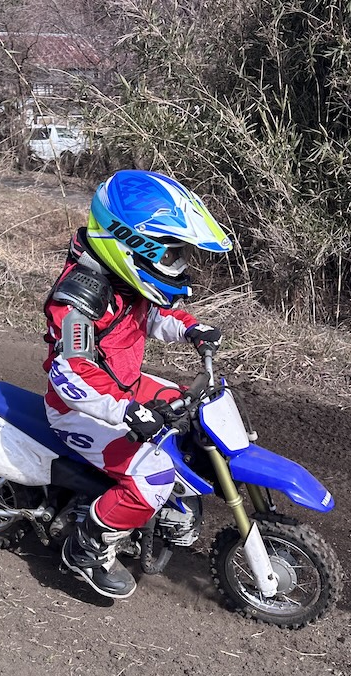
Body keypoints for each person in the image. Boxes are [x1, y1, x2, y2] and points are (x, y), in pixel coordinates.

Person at [43, 169, 233, 599]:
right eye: (170, 254)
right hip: (79, 408)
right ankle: (87, 548)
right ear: (132, 243)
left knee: (190, 409)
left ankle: (172, 505)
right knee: (151, 474)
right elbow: (70, 372)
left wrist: (191, 328)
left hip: (122, 385)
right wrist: (126, 411)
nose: (177, 265)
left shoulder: (122, 282)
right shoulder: (78, 303)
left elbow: (150, 315)